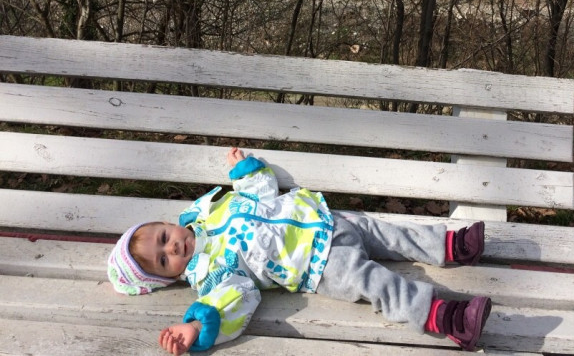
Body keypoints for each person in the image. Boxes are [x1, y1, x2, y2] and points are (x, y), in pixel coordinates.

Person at [108, 148, 491, 354]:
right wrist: (197, 326)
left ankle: (451, 245)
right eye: (164, 260)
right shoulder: (213, 276)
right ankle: (445, 317)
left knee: (388, 232)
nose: (173, 246)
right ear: (171, 276)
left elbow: (260, 194)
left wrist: (246, 174)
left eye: (163, 236)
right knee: (374, 282)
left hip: (321, 217)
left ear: (167, 223)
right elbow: (236, 299)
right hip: (317, 264)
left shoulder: (213, 210)